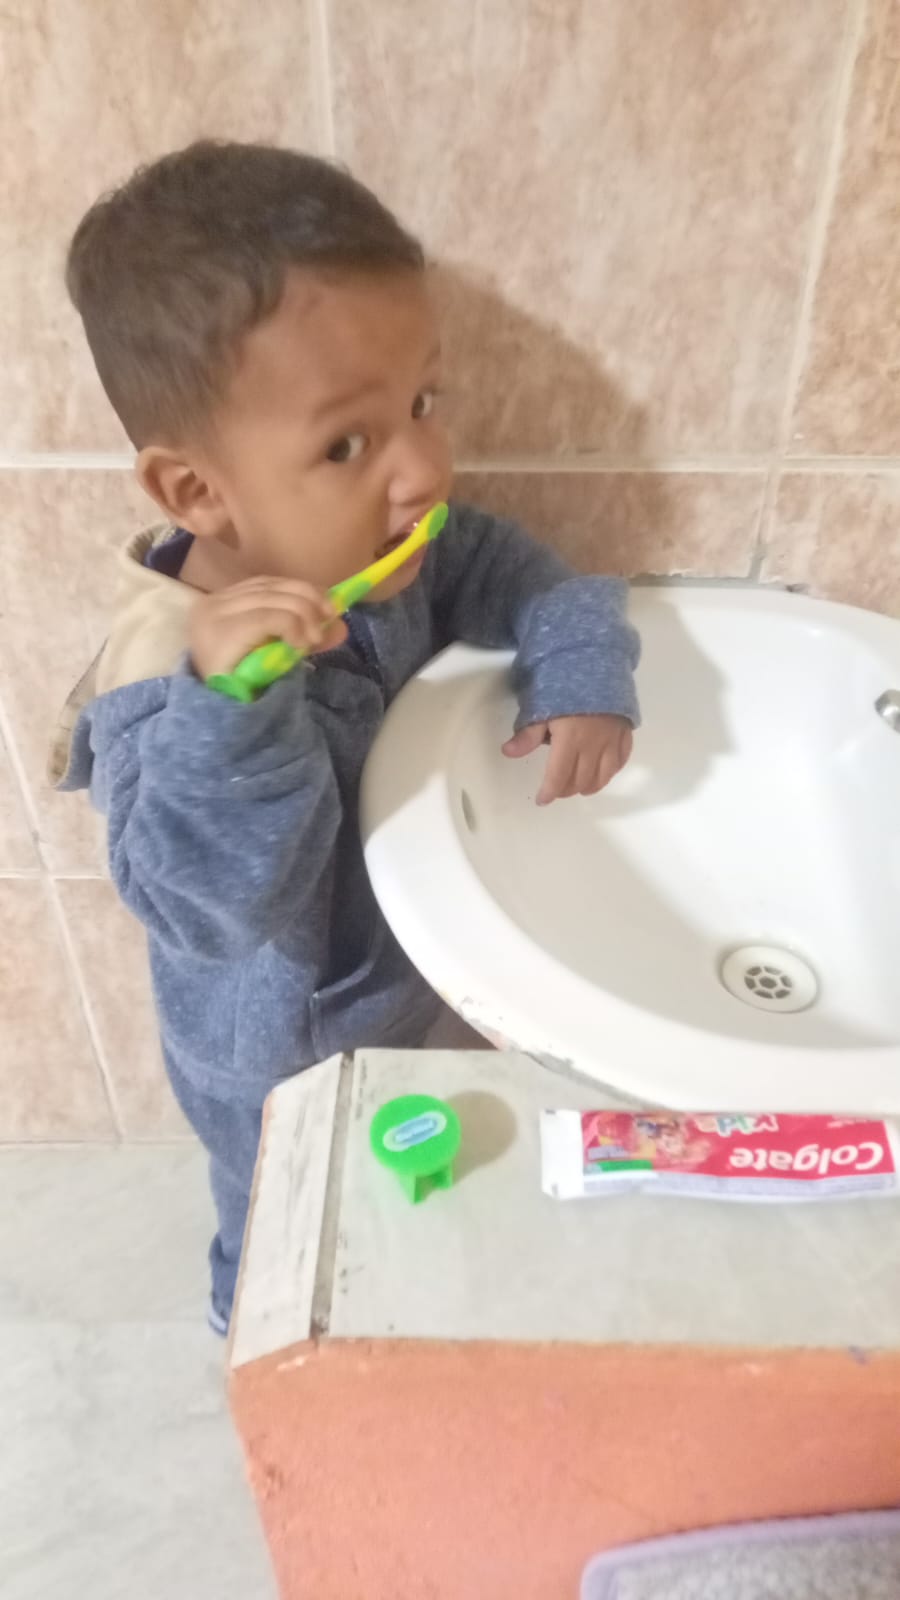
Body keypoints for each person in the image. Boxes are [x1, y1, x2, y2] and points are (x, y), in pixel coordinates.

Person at [52, 141, 640, 1335]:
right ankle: (256, 1333)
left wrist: (578, 666)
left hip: (391, 986)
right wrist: (239, 708)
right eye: (347, 445)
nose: (423, 469)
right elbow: (214, 903)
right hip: (272, 1058)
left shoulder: (370, 548)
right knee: (279, 1214)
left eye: (422, 403)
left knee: (380, 1186)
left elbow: (509, 565)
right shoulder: (162, 685)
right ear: (198, 494)